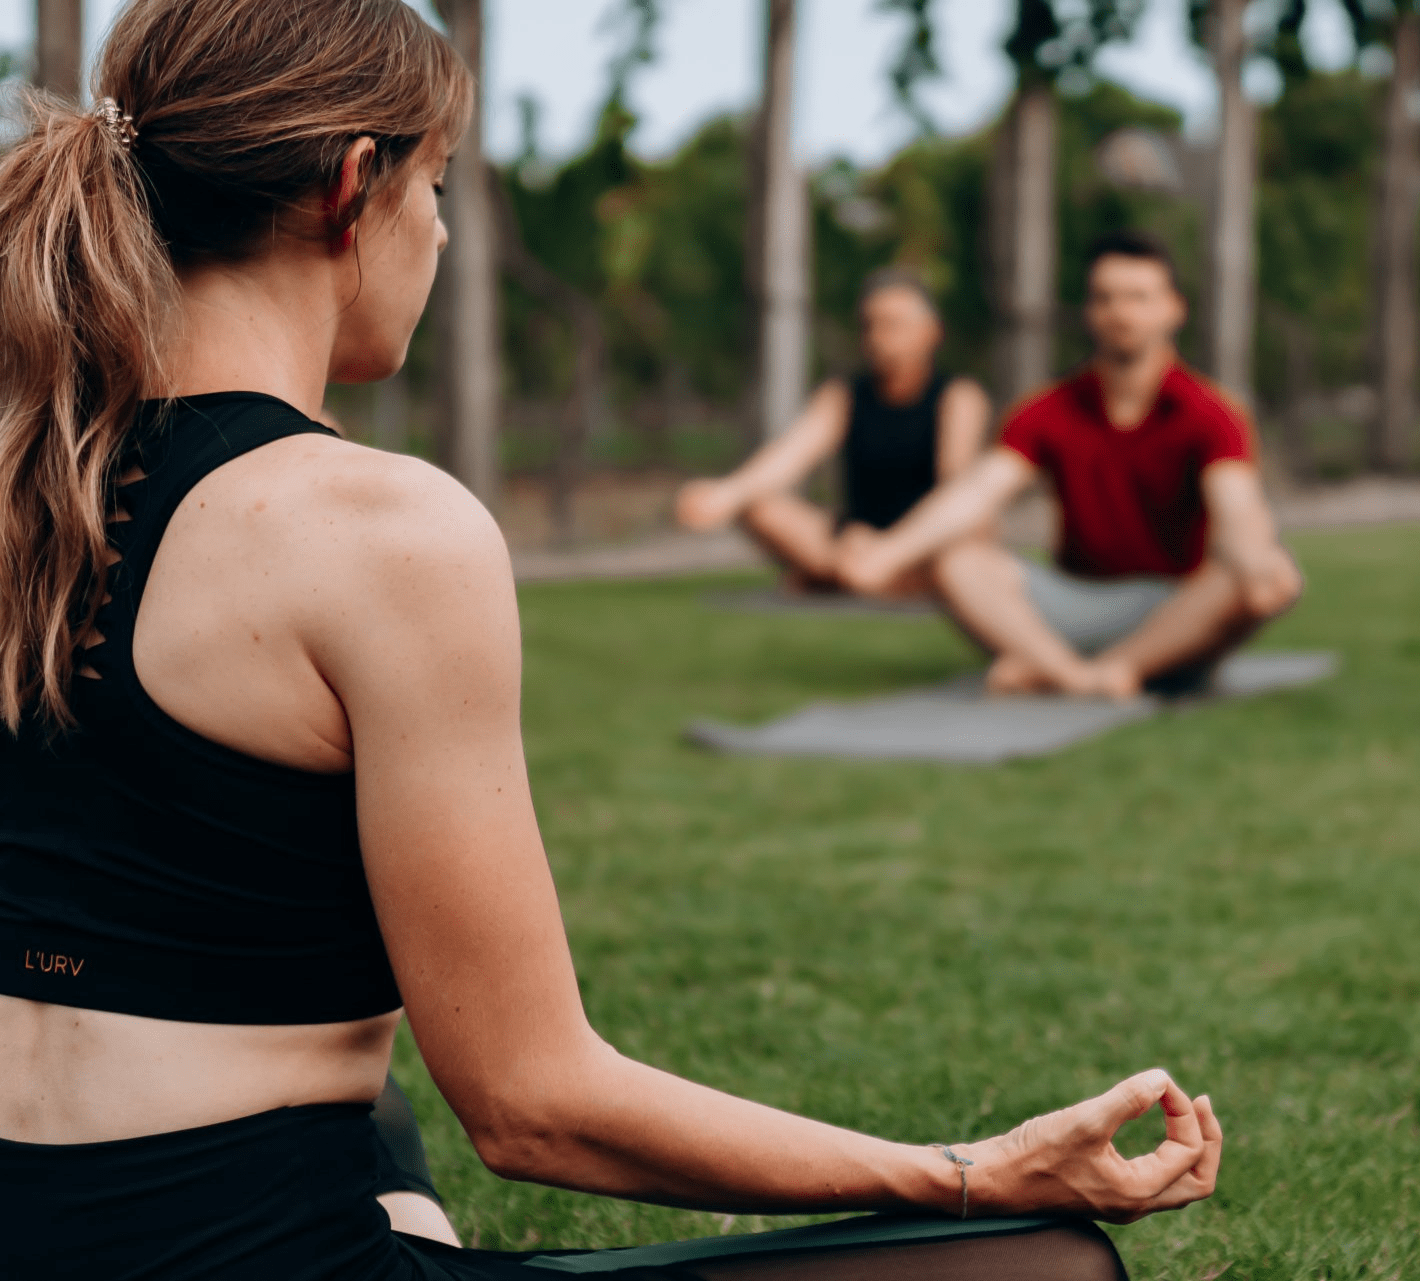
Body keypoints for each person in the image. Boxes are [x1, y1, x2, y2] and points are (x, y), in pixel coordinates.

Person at [0, 5, 1221, 1278]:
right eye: (440, 185)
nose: (444, 228)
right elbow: (533, 1104)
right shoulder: (378, 530)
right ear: (354, 187)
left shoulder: (25, 476)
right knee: (1038, 1264)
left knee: (366, 1097)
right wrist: (967, 1173)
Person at [839, 232, 1303, 699]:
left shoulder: (1210, 412)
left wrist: (1258, 562)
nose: (1120, 312)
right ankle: (1080, 676)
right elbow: (976, 491)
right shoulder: (1048, 409)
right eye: (1105, 298)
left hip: (1173, 609)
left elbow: (1237, 509)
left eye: (1138, 298)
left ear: (1172, 309)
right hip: (1074, 603)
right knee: (958, 560)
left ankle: (1098, 667)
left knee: (1252, 573)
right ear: (1089, 312)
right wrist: (888, 551)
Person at [676, 271, 993, 596]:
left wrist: (893, 547)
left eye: (893, 325)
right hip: (851, 540)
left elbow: (957, 491)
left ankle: (859, 577)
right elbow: (788, 456)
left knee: (968, 530)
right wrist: (726, 493)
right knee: (760, 507)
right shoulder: (843, 396)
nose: (879, 338)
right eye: (870, 325)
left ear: (931, 333)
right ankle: (869, 578)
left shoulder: (959, 397)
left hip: (921, 542)